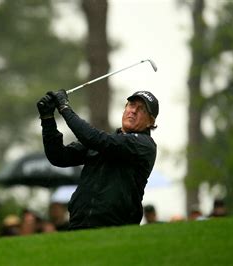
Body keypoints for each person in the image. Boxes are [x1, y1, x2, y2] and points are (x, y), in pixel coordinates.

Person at [37, 90, 159, 229]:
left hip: (117, 226)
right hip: (79, 223)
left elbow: (96, 139)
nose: (134, 111)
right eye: (131, 105)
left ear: (151, 121)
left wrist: (65, 108)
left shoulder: (144, 145)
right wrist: (47, 120)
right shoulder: (101, 142)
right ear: (125, 108)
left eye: (141, 109)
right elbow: (59, 157)